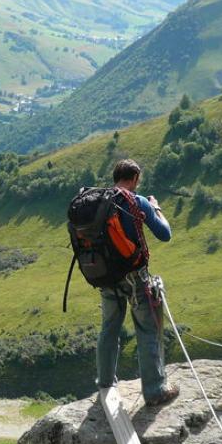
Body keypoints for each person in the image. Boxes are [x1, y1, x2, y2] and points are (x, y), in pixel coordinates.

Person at [96, 159, 178, 407]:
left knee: (109, 327)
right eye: (137, 181)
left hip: (106, 277)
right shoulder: (136, 201)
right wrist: (156, 208)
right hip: (135, 277)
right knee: (147, 329)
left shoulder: (100, 203)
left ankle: (105, 382)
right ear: (133, 178)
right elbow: (165, 234)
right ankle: (154, 390)